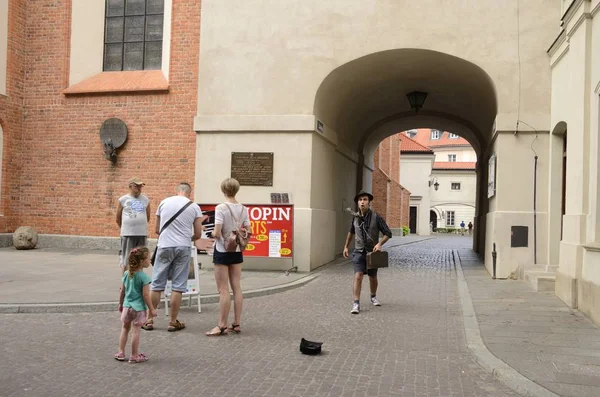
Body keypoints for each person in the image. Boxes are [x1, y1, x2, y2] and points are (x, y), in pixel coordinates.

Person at [142, 183, 204, 332]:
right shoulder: (194, 207)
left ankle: (149, 320)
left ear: (176, 191)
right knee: (178, 286)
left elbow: (157, 229)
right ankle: (172, 321)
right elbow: (197, 234)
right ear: (189, 193)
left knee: (157, 284)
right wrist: (185, 238)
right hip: (183, 247)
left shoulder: (164, 202)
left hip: (164, 246)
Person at [205, 178, 250, 336]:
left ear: (223, 191)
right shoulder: (244, 209)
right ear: (236, 190)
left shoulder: (221, 208)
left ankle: (221, 325)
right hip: (237, 249)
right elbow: (248, 229)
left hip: (222, 251)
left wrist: (209, 233)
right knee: (237, 287)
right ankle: (236, 323)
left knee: (223, 289)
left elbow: (217, 233)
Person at [343, 190, 392, 314]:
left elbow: (388, 233)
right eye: (360, 200)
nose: (362, 202)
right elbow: (351, 232)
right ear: (358, 203)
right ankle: (356, 304)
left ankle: (373, 296)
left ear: (369, 202)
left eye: (365, 199)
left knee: (372, 277)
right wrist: (346, 247)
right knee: (358, 275)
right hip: (359, 251)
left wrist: (379, 244)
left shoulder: (376, 217)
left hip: (372, 253)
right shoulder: (355, 217)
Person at [115, 247, 157, 363]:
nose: (150, 260)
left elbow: (122, 291)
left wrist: (120, 303)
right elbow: (146, 295)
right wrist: (152, 309)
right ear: (142, 262)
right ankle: (134, 355)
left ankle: (120, 352)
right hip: (138, 309)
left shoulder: (126, 274)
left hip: (127, 306)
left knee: (124, 329)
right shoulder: (144, 278)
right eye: (148, 258)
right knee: (136, 331)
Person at [116, 178, 151, 273]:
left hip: (142, 233)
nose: (139, 188)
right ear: (130, 186)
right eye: (136, 186)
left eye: (141, 186)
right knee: (127, 258)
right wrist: (125, 228)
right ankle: (126, 283)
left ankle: (138, 281)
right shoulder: (123, 199)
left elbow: (147, 217)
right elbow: (118, 218)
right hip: (128, 234)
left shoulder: (145, 200)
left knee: (141, 258)